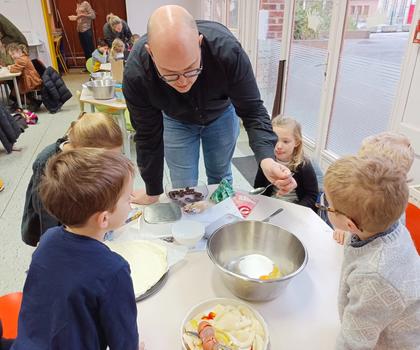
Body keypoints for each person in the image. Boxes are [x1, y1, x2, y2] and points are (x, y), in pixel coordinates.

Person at [123, 5, 296, 205]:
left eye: (190, 68)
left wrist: (266, 159)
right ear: (150, 53)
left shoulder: (227, 51)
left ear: (199, 43)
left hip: (221, 114)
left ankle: (224, 217)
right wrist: (152, 190)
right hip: (175, 119)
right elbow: (147, 135)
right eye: (169, 73)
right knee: (182, 184)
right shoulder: (136, 73)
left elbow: (253, 111)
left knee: (220, 174)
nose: (182, 81)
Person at [11, 148, 139, 350]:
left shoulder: (47, 240)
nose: (131, 203)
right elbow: (124, 341)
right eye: (127, 199)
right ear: (104, 218)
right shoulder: (113, 270)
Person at [322, 155, 420, 349]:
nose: (326, 208)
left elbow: (353, 344)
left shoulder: (374, 276)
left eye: (328, 207)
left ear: (350, 224)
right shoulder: (390, 222)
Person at [21, 112, 123, 247]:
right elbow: (46, 216)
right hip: (52, 223)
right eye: (108, 159)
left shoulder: (85, 155)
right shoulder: (47, 163)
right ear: (86, 153)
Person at [333, 131, 415, 245]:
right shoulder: (370, 190)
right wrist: (342, 226)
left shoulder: (387, 209)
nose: (357, 168)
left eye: (363, 164)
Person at [254, 116, 318, 211]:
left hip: (296, 208)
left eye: (285, 141)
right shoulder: (267, 161)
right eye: (275, 140)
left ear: (296, 142)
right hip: (270, 205)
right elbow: (258, 188)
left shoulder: (304, 165)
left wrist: (298, 209)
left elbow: (312, 195)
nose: (279, 146)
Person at [7, 43, 42, 109]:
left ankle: (33, 103)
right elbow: (17, 66)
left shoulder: (21, 59)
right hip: (30, 78)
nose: (12, 56)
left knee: (15, 92)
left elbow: (16, 69)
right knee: (15, 90)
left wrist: (10, 68)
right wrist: (12, 66)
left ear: (18, 51)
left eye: (13, 54)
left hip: (31, 81)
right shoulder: (23, 57)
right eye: (11, 55)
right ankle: (33, 102)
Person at [68, 0, 96, 71]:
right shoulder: (78, 4)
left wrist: (83, 15)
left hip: (86, 29)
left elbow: (93, 16)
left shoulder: (86, 3)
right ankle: (88, 67)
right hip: (80, 30)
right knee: (85, 50)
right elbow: (78, 16)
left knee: (90, 49)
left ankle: (94, 67)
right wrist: (76, 17)